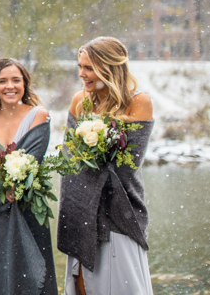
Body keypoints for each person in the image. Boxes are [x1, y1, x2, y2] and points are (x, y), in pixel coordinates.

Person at [58, 37, 155, 295]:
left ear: (109, 68)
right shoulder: (80, 101)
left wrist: (89, 159)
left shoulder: (138, 103)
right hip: (82, 212)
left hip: (119, 213)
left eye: (88, 68)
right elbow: (69, 161)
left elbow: (126, 168)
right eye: (80, 66)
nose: (81, 74)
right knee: (82, 287)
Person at [0, 58, 57, 295]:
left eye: (16, 80)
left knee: (28, 272)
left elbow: (31, 161)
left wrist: (14, 188)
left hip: (26, 208)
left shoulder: (38, 114)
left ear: (25, 83)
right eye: (3, 81)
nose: (10, 86)